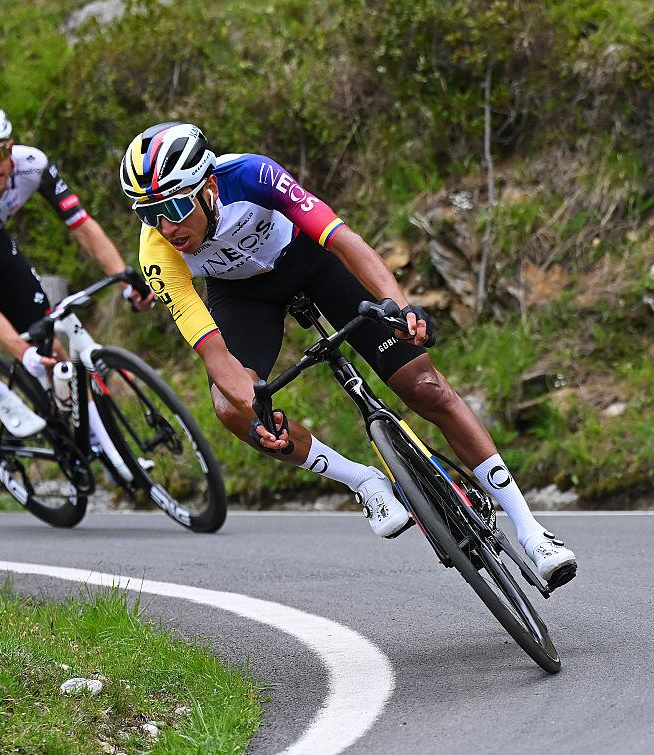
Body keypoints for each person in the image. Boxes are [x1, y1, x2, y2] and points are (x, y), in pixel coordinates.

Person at [119, 121, 576, 587]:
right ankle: (364, 481)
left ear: (209, 186)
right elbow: (214, 353)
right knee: (228, 406)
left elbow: (342, 240)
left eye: (175, 205)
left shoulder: (253, 175)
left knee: (425, 385)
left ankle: (532, 531)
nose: (168, 225)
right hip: (242, 298)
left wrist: (398, 308)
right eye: (151, 213)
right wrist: (254, 411)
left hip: (310, 261)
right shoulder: (156, 251)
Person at [0, 102, 153, 475]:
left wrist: (123, 276)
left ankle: (108, 451)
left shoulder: (32, 165)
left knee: (54, 353)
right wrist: (20, 352)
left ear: (11, 148)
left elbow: (82, 225)